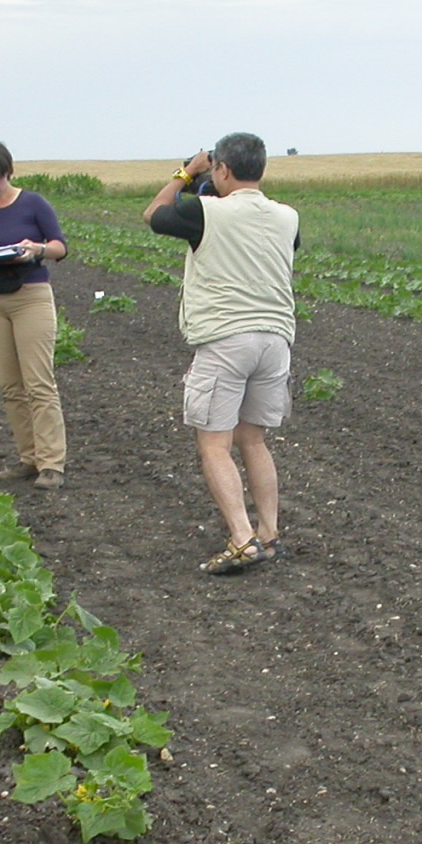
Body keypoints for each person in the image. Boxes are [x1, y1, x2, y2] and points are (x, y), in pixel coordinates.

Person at [143, 132, 300, 574]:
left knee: (214, 443)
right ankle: (269, 534)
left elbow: (153, 214)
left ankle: (241, 538)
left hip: (227, 339)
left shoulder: (202, 210)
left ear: (223, 170)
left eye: (214, 168)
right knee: (254, 439)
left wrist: (185, 172)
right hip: (276, 338)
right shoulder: (288, 217)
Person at [0, 139, 69, 490]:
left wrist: (35, 250)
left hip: (31, 297)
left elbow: (59, 247)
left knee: (39, 382)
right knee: (10, 385)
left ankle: (52, 463)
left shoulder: (33, 203)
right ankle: (29, 458)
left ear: (8, 172)